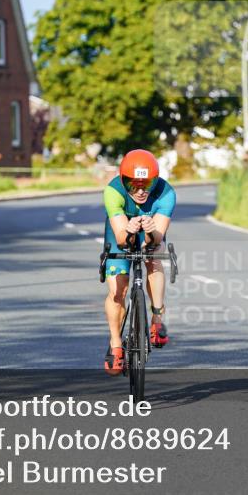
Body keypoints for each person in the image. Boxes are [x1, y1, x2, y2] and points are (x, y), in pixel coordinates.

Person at [102, 149, 176, 375]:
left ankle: (156, 317)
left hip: (151, 229)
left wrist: (152, 233)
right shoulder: (113, 191)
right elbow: (122, 240)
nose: (142, 191)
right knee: (119, 287)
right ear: (124, 181)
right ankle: (116, 344)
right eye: (134, 185)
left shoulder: (166, 193)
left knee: (154, 256)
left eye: (148, 184)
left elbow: (158, 239)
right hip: (121, 230)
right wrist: (129, 231)